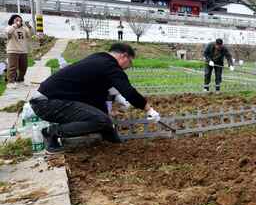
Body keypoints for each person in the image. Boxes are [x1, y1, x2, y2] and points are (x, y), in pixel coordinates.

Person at [29, 43, 160, 154]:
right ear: (123, 56)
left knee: (101, 116)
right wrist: (148, 109)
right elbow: (129, 91)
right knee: (100, 120)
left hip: (48, 102)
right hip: (47, 104)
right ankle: (51, 133)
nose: (128, 66)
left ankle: (110, 138)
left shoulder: (99, 59)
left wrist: (114, 98)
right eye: (130, 62)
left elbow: (97, 97)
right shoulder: (110, 65)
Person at [4, 14, 32, 89]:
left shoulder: (23, 29)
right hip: (13, 50)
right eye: (17, 20)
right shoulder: (9, 27)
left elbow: (29, 36)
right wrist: (15, 25)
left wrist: (28, 27)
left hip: (23, 51)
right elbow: (8, 33)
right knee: (13, 67)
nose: (19, 21)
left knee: (24, 67)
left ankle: (20, 81)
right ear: (12, 20)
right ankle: (10, 82)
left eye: (20, 20)